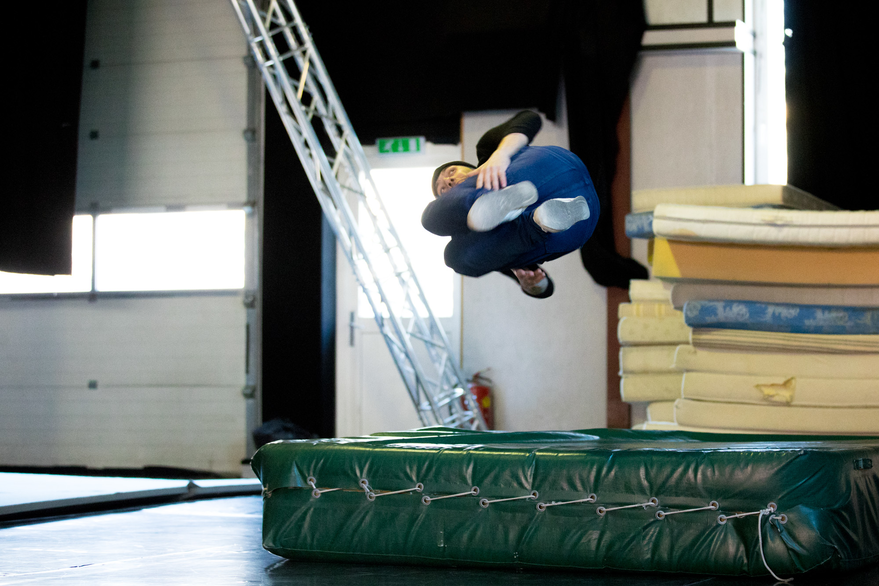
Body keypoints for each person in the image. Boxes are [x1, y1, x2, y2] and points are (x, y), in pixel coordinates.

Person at [421, 110, 599, 298]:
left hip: (547, 171)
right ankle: (537, 221)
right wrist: (534, 285)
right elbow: (546, 288)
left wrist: (501, 154)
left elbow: (530, 118)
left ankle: (488, 201)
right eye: (443, 190)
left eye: (451, 171)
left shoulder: (488, 150)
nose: (449, 182)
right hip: (576, 220)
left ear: (466, 165)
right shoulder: (482, 245)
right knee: (454, 258)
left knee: (429, 220)